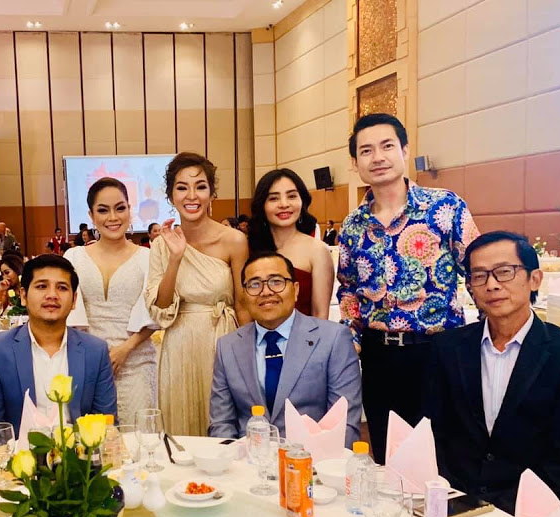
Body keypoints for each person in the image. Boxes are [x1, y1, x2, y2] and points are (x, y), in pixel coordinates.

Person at [337, 113, 480, 464]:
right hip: (378, 357)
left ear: (404, 150)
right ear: (355, 163)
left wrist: (482, 340)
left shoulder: (445, 207)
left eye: (387, 146)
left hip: (438, 351)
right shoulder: (353, 224)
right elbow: (349, 290)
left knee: (442, 457)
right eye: (366, 151)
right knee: (388, 456)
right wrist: (352, 344)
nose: (378, 157)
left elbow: (477, 270)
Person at [426, 231, 560, 514]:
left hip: (530, 510)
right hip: (456, 504)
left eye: (504, 272)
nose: (492, 285)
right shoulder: (447, 348)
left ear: (535, 279)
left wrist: (502, 512)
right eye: (479, 276)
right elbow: (436, 434)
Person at [145, 152, 250, 436]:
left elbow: (242, 303)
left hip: (223, 340)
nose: (192, 196)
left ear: (212, 193)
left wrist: (249, 353)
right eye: (182, 187)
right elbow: (160, 308)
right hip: (178, 345)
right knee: (181, 429)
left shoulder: (234, 240)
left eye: (200, 186)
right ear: (171, 196)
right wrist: (175, 257)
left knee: (224, 425)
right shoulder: (161, 245)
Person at [209, 252, 362, 444]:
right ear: (244, 296)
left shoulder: (333, 339)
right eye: (254, 284)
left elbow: (344, 425)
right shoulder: (228, 347)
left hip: (312, 458)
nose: (266, 292)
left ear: (295, 290)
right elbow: (222, 424)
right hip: (248, 458)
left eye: (276, 282)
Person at [0, 255, 117, 436]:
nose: (52, 295)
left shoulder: (95, 351)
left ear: (74, 300)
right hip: (18, 451)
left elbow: (106, 423)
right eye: (42, 286)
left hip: (78, 452)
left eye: (62, 288)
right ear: (23, 296)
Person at [65, 177, 158, 425]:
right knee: (90, 439)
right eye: (103, 210)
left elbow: (155, 312)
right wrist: (94, 355)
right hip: (87, 363)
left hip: (136, 361)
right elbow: (69, 314)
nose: (113, 217)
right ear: (91, 215)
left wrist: (124, 349)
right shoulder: (74, 257)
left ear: (129, 209)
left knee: (138, 437)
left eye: (120, 208)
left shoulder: (148, 258)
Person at [248, 169, 334, 319]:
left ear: (302, 201)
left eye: (292, 196)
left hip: (304, 333)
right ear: (262, 204)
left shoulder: (316, 250)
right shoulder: (248, 247)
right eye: (274, 198)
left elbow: (320, 314)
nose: (284, 204)